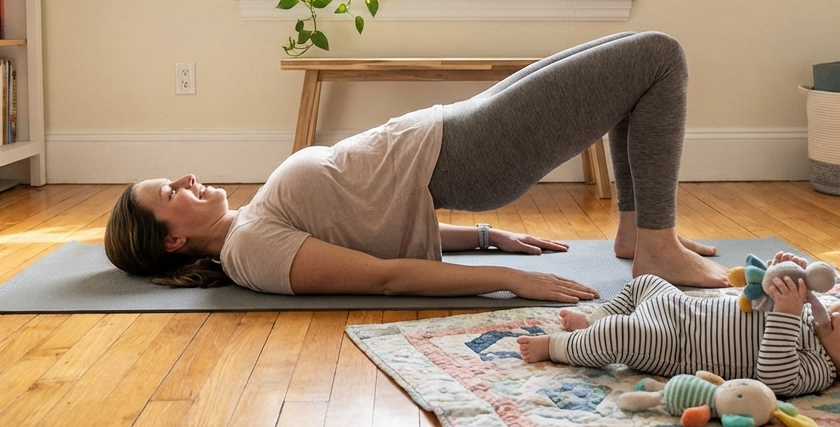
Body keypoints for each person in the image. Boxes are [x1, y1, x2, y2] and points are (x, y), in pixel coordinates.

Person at [104, 31, 731, 302]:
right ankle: (657, 244)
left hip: (456, 133)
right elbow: (382, 276)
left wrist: (487, 239)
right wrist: (507, 281)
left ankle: (638, 232)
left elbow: (371, 221)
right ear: (174, 238)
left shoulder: (253, 224)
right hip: (469, 152)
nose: (185, 179)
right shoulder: (252, 255)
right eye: (170, 190)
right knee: (659, 57)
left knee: (631, 58)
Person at [516, 252, 840, 397]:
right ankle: (597, 315)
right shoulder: (806, 308)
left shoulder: (818, 369)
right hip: (680, 307)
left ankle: (558, 347)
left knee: (619, 337)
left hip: (673, 344)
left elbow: (774, 376)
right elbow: (757, 295)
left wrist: (785, 313)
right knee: (645, 282)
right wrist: (779, 274)